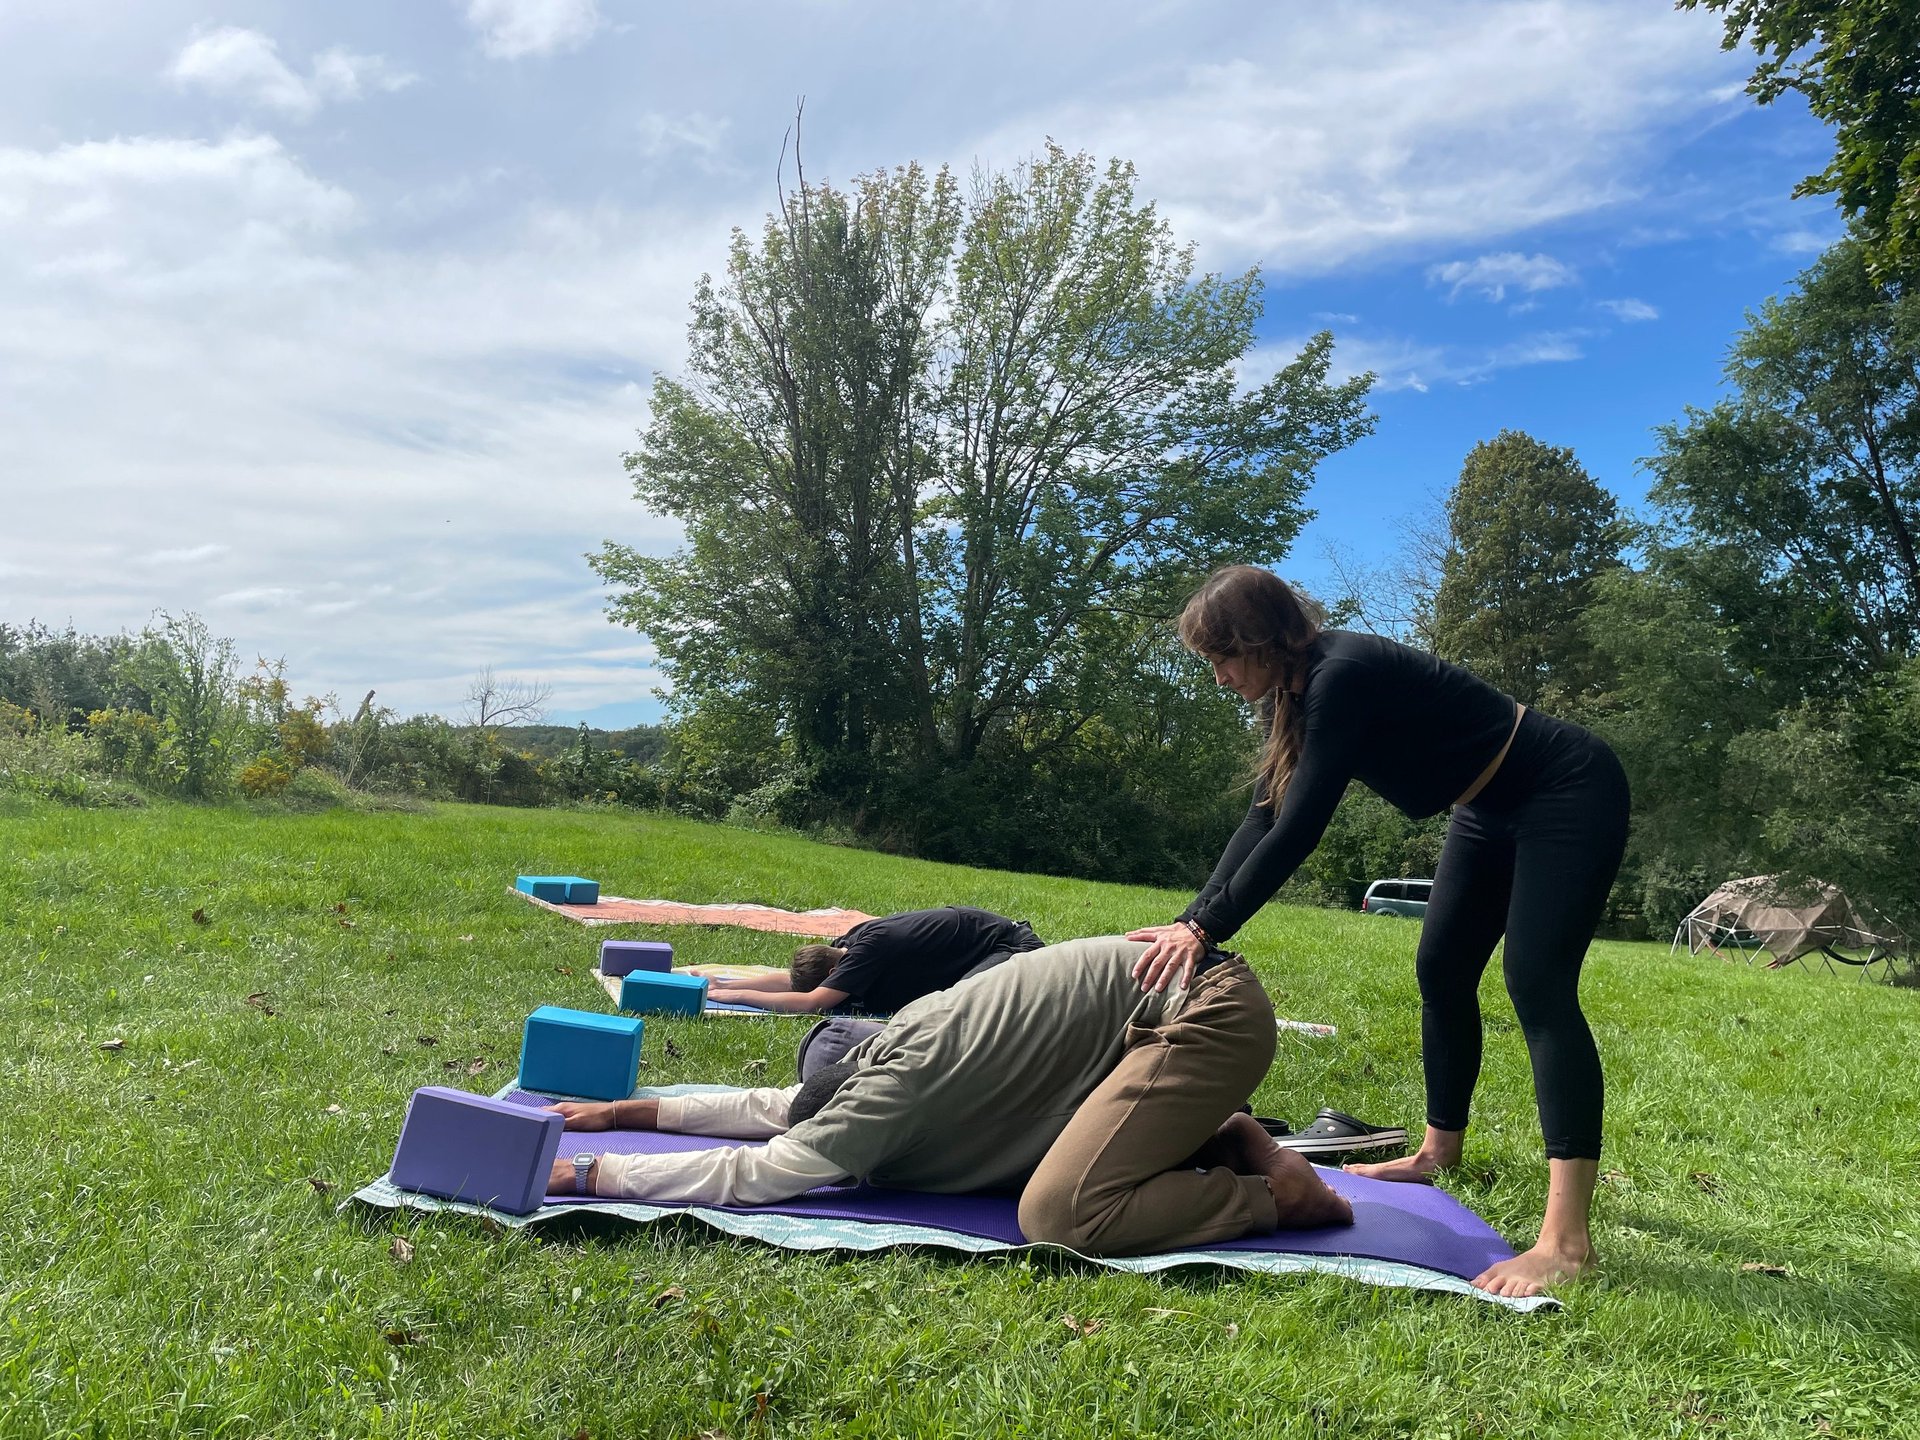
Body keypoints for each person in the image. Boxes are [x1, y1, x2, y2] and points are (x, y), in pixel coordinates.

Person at [1125, 565, 1629, 1297]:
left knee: (1538, 985)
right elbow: (1265, 816)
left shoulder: (1343, 676)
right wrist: (1190, 922)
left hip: (1565, 787)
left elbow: (1300, 829)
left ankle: (1566, 1241)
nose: (1220, 676)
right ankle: (1437, 1151)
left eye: (1224, 657)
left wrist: (1205, 927)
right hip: (1485, 806)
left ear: (1265, 641)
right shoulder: (1290, 697)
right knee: (1443, 969)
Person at [543, 935, 1353, 1256]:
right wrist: (621, 1114)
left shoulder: (895, 1094)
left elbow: (755, 1175)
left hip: (1208, 1016)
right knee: (1015, 1155)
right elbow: (775, 1107)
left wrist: (587, 1173)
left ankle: (1277, 1194)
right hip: (1152, 1015)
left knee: (1062, 1215)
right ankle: (1218, 1136)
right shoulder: (884, 1047)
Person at [704, 905, 1044, 1015]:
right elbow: (794, 982)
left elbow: (813, 1001)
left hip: (1014, 947)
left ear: (835, 970)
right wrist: (728, 985)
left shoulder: (867, 953)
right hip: (988, 939)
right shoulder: (846, 945)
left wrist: (739, 996)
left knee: (959, 1006)